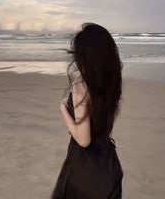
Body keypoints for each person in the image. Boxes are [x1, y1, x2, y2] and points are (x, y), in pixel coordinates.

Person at [50, 22, 123, 199]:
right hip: (108, 163)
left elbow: (83, 140)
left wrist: (63, 110)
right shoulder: (111, 81)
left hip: (84, 170)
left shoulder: (81, 86)